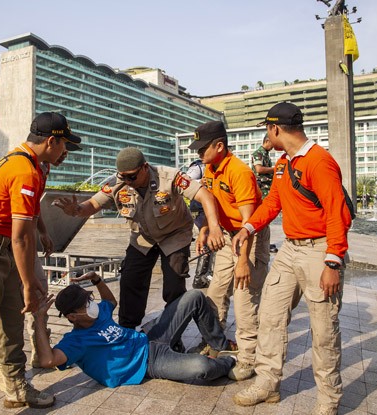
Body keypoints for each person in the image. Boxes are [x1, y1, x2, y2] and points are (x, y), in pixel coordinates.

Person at [0, 111, 81, 415]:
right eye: (64, 146)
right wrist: (29, 284)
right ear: (51, 141)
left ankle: (17, 387)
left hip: (3, 247)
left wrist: (42, 235)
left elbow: (28, 223)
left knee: (12, 323)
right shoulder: (24, 170)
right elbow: (22, 237)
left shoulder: (30, 164)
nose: (65, 152)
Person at [229, 102, 352, 414]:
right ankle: (267, 383)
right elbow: (273, 202)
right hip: (290, 250)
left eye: (266, 130)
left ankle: (328, 400)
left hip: (319, 251)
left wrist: (333, 261)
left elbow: (337, 212)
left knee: (324, 331)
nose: (266, 135)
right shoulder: (283, 163)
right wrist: (248, 227)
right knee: (270, 317)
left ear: (275, 129)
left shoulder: (319, 162)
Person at [53, 147, 225, 330]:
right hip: (143, 238)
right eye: (123, 177)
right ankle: (127, 330)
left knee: (174, 286)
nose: (128, 181)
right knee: (130, 281)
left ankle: (172, 333)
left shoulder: (169, 177)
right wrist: (77, 210)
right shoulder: (118, 183)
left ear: (145, 167)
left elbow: (205, 196)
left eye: (132, 177)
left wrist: (213, 228)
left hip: (175, 235)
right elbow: (94, 204)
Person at [30, 271, 238, 387]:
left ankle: (220, 346)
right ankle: (232, 361)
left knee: (194, 297)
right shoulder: (75, 342)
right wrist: (39, 320)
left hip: (147, 337)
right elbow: (48, 360)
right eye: (85, 304)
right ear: (72, 317)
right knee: (203, 368)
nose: (91, 304)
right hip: (149, 363)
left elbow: (110, 301)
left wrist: (97, 280)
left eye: (89, 298)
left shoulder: (99, 312)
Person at [187, 120, 271, 381]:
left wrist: (243, 260)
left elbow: (249, 223)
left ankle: (247, 358)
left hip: (250, 236)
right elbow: (212, 204)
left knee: (245, 297)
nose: (198, 154)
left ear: (219, 146)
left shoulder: (239, 172)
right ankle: (215, 342)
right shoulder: (211, 169)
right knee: (216, 290)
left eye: (202, 149)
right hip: (227, 235)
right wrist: (204, 228)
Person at [185, 158, 214, 289]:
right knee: (205, 243)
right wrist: (199, 182)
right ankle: (199, 277)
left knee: (209, 244)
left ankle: (205, 275)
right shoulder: (198, 166)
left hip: (209, 211)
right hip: (200, 211)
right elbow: (185, 180)